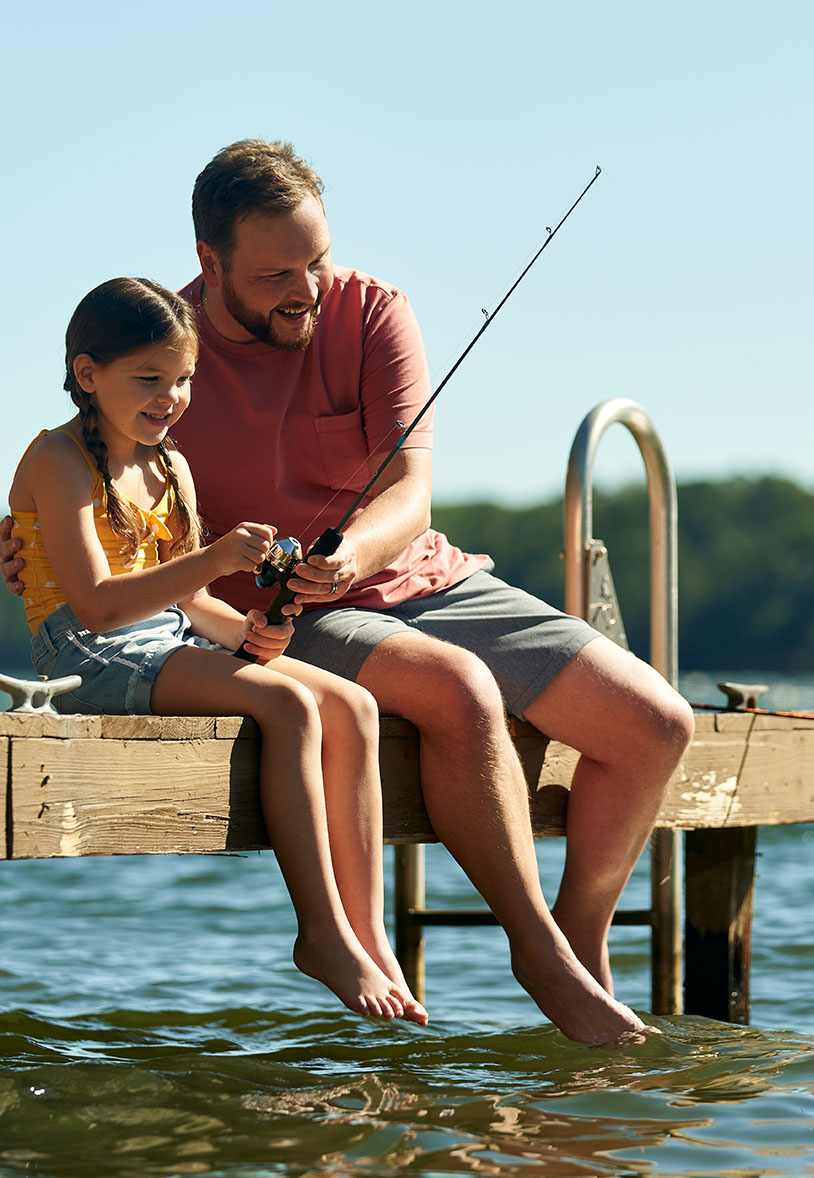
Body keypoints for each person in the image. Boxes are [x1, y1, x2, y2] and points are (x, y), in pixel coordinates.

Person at [1, 141, 695, 1044]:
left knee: (658, 725)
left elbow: (411, 494)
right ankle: (538, 957)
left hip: (419, 578)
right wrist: (31, 542)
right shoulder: (165, 351)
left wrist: (353, 551)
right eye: (277, 273)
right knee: (458, 691)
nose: (307, 288)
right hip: (288, 614)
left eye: (317, 260)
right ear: (210, 266)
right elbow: (86, 482)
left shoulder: (372, 313)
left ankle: (578, 946)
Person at [4, 276, 427, 1027]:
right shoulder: (57, 460)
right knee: (290, 703)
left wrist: (247, 634)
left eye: (184, 380)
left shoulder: (170, 466)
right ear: (87, 373)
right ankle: (322, 933)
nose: (170, 398)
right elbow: (97, 605)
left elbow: (191, 606)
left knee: (353, 705)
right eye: (149, 379)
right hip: (86, 655)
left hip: (161, 640)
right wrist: (218, 558)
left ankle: (367, 933)